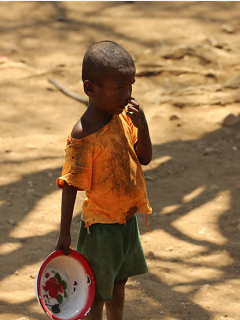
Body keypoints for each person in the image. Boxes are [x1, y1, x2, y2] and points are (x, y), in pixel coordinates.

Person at [55, 40, 153, 320]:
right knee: (96, 290)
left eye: (130, 86)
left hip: (127, 221)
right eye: (119, 88)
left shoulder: (123, 117)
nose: (128, 94)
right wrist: (65, 232)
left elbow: (144, 158)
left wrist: (143, 127)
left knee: (119, 283)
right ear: (90, 89)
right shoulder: (83, 135)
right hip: (101, 229)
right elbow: (71, 184)